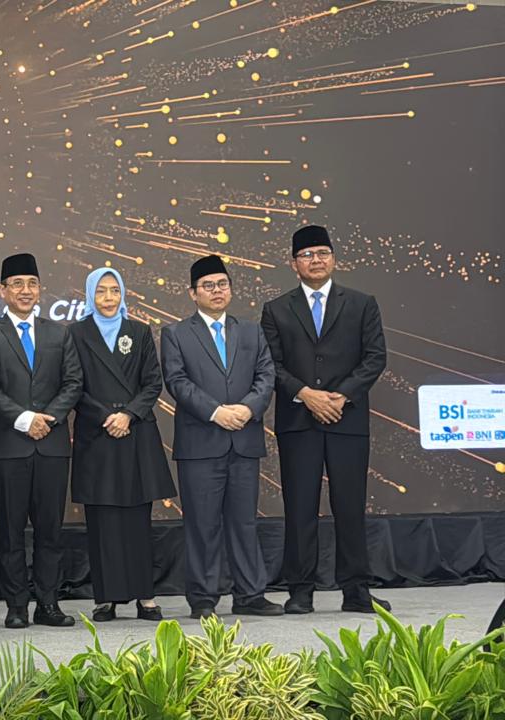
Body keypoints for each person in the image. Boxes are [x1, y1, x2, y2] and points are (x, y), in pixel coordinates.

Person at [261, 225, 389, 614]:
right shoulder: (276, 309)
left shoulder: (362, 303)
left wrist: (342, 395)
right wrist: (306, 394)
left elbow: (375, 357)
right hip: (299, 421)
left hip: (347, 419)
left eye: (322, 253)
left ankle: (356, 590)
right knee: (300, 506)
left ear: (333, 258)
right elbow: (271, 364)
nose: (315, 260)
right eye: (307, 255)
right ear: (293, 263)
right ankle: (301, 591)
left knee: (350, 505)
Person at [160, 255, 281, 619]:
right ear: (192, 293)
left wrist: (246, 408)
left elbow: (266, 375)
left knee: (244, 522)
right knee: (203, 525)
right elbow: (177, 381)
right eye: (208, 286)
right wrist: (216, 412)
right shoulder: (176, 334)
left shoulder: (251, 331)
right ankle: (203, 598)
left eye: (222, 284)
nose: (217, 291)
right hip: (201, 444)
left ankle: (250, 594)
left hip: (243, 440)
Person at [0, 253, 82, 629]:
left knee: (51, 530)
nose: (25, 290)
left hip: (51, 445)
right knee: (11, 530)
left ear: (40, 289)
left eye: (32, 284)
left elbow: (73, 383)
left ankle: (48, 604)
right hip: (8, 447)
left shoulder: (60, 333)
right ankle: (16, 605)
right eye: (17, 284)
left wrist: (46, 419)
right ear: (2, 290)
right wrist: (24, 420)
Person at [69, 268, 174, 622]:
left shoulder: (139, 331)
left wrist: (128, 415)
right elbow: (73, 385)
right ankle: (107, 598)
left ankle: (146, 596)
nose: (109, 298)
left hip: (135, 433)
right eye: (101, 291)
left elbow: (152, 382)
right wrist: (108, 417)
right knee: (102, 521)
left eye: (115, 290)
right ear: (90, 295)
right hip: (97, 435)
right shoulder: (76, 333)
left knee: (138, 520)